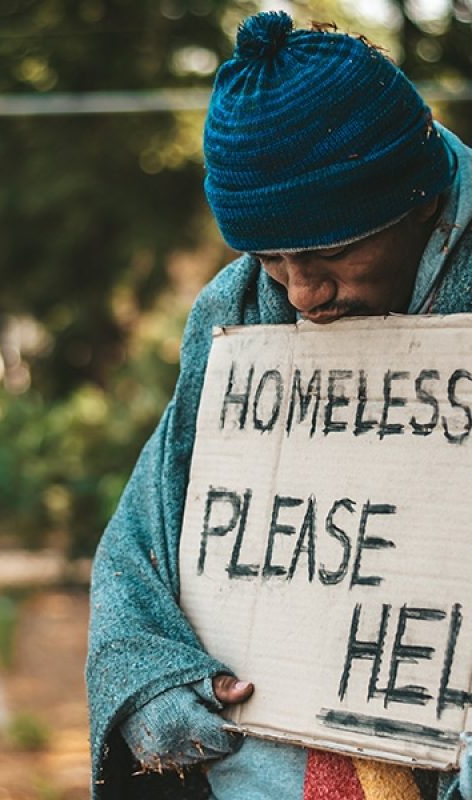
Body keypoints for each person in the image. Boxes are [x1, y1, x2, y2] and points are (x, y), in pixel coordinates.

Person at [86, 10, 472, 800]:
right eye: (270, 256)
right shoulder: (234, 315)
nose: (303, 293)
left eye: (331, 252)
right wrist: (150, 680)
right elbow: (142, 539)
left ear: (420, 198)